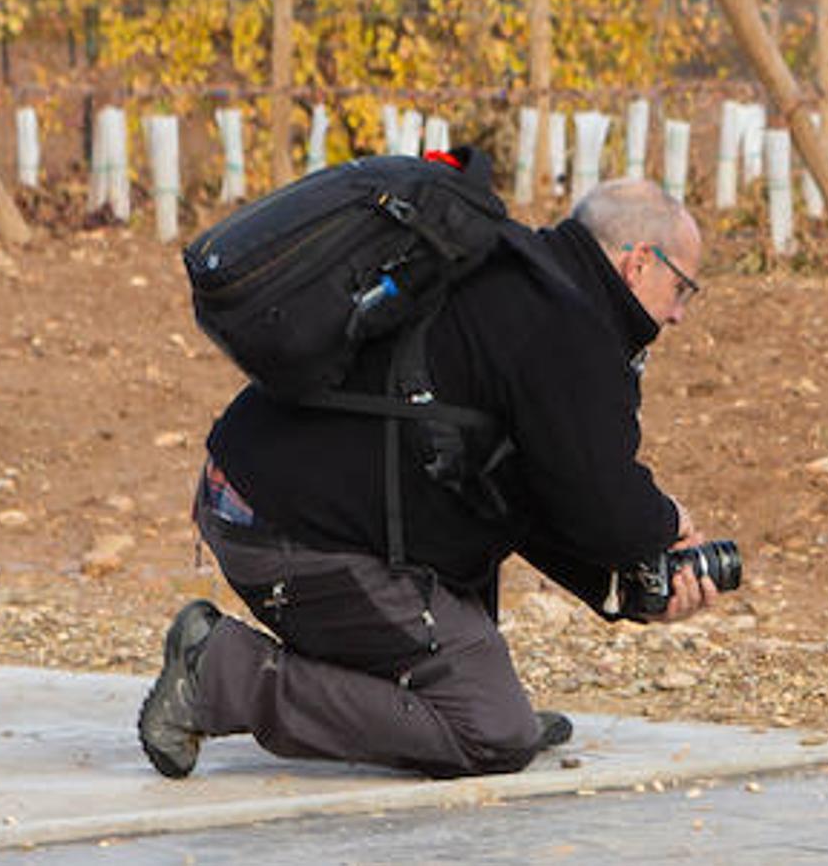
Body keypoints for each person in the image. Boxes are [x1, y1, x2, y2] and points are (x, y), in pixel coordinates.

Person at [139, 178, 726, 780]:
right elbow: (606, 510)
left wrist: (627, 590)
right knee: (491, 735)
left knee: (477, 625)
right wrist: (666, 525)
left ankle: (454, 697)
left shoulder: (514, 271)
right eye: (683, 288)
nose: (679, 314)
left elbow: (530, 496)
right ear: (637, 263)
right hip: (288, 529)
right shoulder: (568, 329)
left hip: (257, 493)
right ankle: (220, 675)